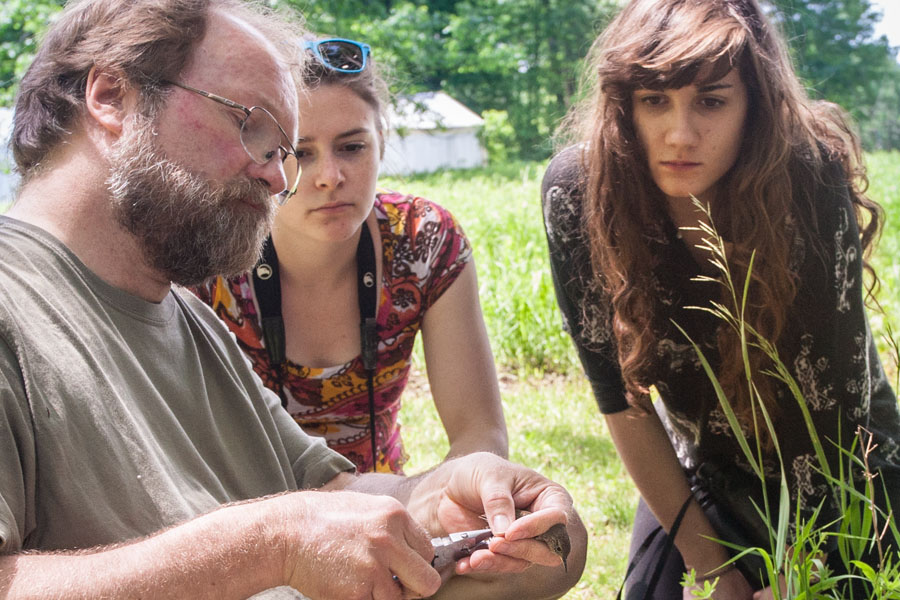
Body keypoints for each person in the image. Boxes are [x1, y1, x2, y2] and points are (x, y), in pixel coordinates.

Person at [0, 1, 587, 598]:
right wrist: (271, 546)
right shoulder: (14, 302)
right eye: (250, 125)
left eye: (282, 150)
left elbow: (324, 492)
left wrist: (447, 495)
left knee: (554, 554)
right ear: (111, 98)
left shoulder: (190, 322)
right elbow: (286, 530)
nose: (281, 179)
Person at [541, 0, 900, 598]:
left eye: (711, 101)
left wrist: (798, 575)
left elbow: (835, 410)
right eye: (655, 100)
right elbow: (622, 402)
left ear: (754, 106)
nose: (680, 135)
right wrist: (715, 571)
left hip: (850, 478)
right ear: (624, 105)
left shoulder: (807, 179)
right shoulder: (580, 195)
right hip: (697, 477)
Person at [192, 39, 507, 474]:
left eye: (352, 147)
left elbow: (480, 437)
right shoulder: (212, 256)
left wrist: (442, 501)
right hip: (249, 520)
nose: (330, 177)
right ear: (264, 155)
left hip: (386, 512)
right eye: (301, 153)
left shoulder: (423, 239)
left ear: (380, 141)